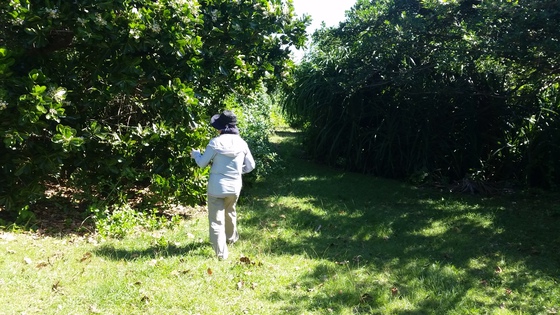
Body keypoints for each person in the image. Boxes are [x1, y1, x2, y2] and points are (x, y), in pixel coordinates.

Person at [190, 110, 255, 260]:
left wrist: (196, 154)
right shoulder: (242, 143)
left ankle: (221, 253)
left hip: (216, 187)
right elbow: (251, 166)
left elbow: (201, 163)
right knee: (230, 212)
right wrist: (238, 171)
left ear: (223, 128)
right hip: (234, 187)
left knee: (216, 220)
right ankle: (231, 239)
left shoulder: (215, 142)